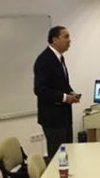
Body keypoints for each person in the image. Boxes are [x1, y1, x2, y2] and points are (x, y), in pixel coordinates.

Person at [34, 26, 80, 160]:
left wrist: (71, 92)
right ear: (54, 39)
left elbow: (60, 83)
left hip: (64, 116)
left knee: (67, 154)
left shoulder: (59, 58)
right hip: (53, 118)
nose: (69, 40)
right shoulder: (45, 60)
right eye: (66, 37)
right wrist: (65, 97)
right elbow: (40, 90)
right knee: (58, 157)